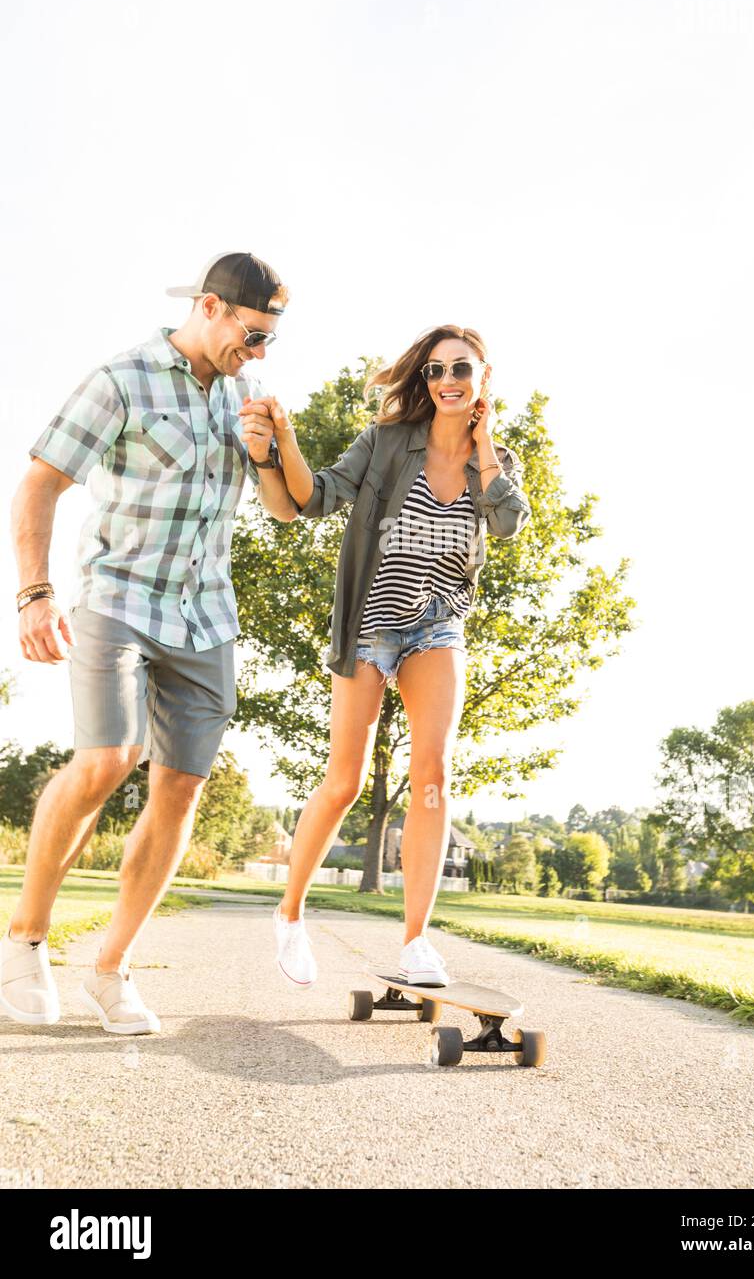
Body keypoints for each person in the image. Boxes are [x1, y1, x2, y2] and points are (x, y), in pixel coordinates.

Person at [1, 252, 300, 1035]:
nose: (261, 352)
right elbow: (40, 481)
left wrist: (269, 449)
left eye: (271, 339)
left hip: (207, 615)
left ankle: (111, 969)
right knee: (106, 759)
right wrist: (34, 594)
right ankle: (24, 939)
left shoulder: (251, 393)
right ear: (209, 306)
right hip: (118, 599)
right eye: (253, 334)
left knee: (181, 787)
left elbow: (279, 509)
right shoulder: (122, 378)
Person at [241, 324, 531, 989]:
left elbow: (509, 521)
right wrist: (279, 444)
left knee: (433, 773)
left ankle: (416, 941)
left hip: (437, 625)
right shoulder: (386, 442)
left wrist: (484, 445)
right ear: (424, 382)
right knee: (344, 779)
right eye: (434, 371)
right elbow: (313, 499)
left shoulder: (499, 460)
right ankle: (289, 915)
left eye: (461, 368)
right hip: (371, 621)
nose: (447, 380)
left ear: (483, 378)